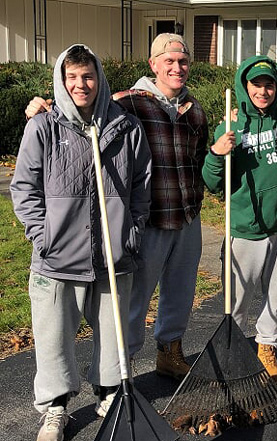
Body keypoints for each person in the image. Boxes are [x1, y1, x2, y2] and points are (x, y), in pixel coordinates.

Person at [26, 33, 210, 382]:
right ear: (153, 64)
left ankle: (170, 352)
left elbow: (198, 160)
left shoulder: (195, 109)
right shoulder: (128, 103)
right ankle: (120, 370)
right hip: (148, 221)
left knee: (181, 291)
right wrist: (40, 109)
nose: (177, 68)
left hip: (187, 216)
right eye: (168, 61)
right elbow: (79, 111)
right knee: (133, 303)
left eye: (183, 61)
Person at [11, 44, 151, 441]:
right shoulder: (44, 128)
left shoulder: (125, 128)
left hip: (113, 257)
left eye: (87, 76)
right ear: (61, 80)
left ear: (99, 78)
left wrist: (131, 233)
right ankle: (55, 408)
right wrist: (43, 237)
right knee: (53, 339)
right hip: (58, 259)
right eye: (71, 77)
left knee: (112, 335)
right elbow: (24, 190)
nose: (80, 84)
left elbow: (142, 189)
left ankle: (109, 394)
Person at [202, 56, 277, 385]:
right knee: (237, 299)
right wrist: (217, 153)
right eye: (256, 85)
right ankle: (233, 351)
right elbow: (213, 183)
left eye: (269, 84)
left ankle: (268, 346)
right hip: (245, 227)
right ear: (245, 86)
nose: (263, 91)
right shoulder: (230, 126)